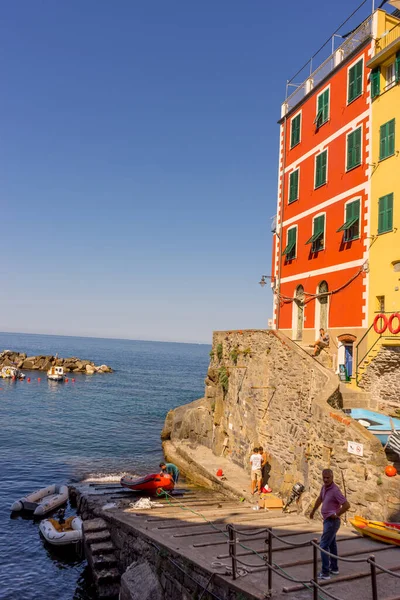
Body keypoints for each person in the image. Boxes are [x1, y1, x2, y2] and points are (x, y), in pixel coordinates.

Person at [310, 469, 350, 580]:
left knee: (323, 545)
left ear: (332, 477)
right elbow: (320, 499)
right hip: (327, 520)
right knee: (332, 544)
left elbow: (346, 505)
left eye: (328, 477)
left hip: (332, 521)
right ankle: (334, 568)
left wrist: (336, 514)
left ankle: (325, 572)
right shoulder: (324, 488)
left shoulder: (335, 490)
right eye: (324, 477)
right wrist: (313, 510)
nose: (326, 479)